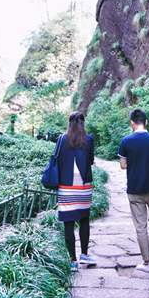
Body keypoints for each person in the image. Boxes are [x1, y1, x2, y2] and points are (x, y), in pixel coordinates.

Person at [119, 108, 149, 273]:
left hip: (135, 189)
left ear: (132, 123)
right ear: (146, 122)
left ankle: (146, 263)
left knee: (140, 226)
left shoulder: (126, 141)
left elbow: (123, 165)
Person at [57, 112, 97, 271]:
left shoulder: (61, 140)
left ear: (69, 124)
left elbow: (58, 160)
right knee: (84, 219)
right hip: (83, 186)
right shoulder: (89, 139)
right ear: (82, 123)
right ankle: (84, 255)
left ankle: (72, 261)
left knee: (68, 222)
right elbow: (91, 160)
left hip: (66, 186)